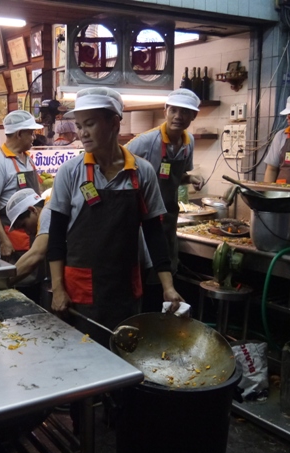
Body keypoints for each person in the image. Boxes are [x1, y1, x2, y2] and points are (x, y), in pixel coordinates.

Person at [47, 87, 183, 346]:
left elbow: (154, 233)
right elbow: (56, 236)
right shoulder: (70, 172)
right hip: (80, 291)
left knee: (125, 354)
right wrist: (58, 288)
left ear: (114, 122)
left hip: (125, 287)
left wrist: (168, 285)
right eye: (78, 126)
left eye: (90, 124)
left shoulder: (142, 172)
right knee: (84, 360)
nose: (82, 133)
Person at [125, 88, 204, 312]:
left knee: (166, 277)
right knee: (143, 278)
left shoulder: (188, 143)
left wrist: (190, 178)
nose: (178, 116)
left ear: (193, 116)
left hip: (169, 219)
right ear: (165, 111)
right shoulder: (146, 142)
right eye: (174, 110)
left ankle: (160, 326)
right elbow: (118, 164)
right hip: (144, 222)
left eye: (185, 112)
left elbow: (173, 177)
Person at [0, 110, 43, 263]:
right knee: (20, 281)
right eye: (31, 133)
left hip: (34, 231)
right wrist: (3, 241)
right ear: (19, 134)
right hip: (14, 237)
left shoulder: (27, 157)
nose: (34, 137)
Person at [6, 188, 51, 285]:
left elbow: (35, 255)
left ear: (32, 210)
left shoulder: (47, 213)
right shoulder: (48, 206)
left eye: (24, 225)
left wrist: (3, 282)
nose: (27, 232)